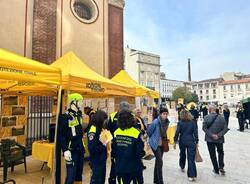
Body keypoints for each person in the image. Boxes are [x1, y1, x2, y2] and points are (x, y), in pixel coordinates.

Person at [111, 109, 145, 184]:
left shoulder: (116, 132)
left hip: (121, 167)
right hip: (134, 168)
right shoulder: (136, 133)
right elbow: (140, 152)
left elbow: (113, 151)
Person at [58, 93, 85, 184]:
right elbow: (60, 135)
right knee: (71, 175)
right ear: (73, 102)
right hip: (71, 150)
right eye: (80, 101)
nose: (82, 103)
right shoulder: (65, 116)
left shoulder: (79, 114)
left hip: (80, 148)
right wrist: (65, 150)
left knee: (79, 174)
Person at [107, 101, 130, 184]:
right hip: (116, 146)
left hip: (127, 146)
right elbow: (108, 130)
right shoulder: (113, 116)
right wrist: (111, 140)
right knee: (114, 166)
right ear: (119, 109)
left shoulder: (130, 116)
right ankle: (112, 181)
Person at [202, 104, 229, 175]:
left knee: (212, 154)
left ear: (209, 110)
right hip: (219, 139)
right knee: (220, 152)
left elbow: (204, 128)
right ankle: (221, 166)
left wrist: (212, 135)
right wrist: (218, 135)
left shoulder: (206, 117)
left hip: (209, 139)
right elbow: (225, 128)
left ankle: (216, 169)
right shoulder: (222, 118)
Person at [174, 110, 198, 182]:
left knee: (182, 153)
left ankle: (182, 165)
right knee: (191, 158)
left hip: (182, 141)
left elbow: (177, 132)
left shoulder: (180, 123)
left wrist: (175, 141)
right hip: (191, 141)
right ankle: (192, 175)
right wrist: (197, 141)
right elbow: (195, 133)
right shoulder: (193, 122)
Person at [147, 108, 170, 184]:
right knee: (160, 162)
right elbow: (149, 132)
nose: (165, 115)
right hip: (155, 144)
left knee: (158, 162)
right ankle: (160, 181)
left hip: (162, 144)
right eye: (164, 114)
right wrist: (153, 139)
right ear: (160, 114)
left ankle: (155, 180)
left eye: (166, 114)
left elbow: (164, 133)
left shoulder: (166, 122)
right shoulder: (156, 122)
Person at [88, 110, 109, 184]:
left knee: (101, 180)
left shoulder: (100, 128)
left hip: (101, 159)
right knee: (96, 181)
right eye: (104, 119)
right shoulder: (93, 130)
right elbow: (91, 148)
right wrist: (104, 145)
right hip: (96, 161)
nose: (105, 121)